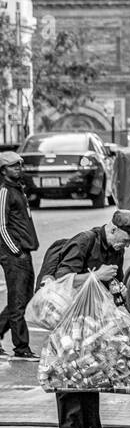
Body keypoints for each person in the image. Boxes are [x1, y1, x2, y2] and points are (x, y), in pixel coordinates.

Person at [51, 209, 130, 428]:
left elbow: (113, 280)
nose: (125, 245)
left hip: (93, 320)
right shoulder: (84, 241)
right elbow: (62, 279)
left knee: (92, 376)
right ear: (112, 229)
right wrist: (95, 275)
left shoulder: (117, 248)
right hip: (70, 318)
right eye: (124, 239)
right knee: (70, 378)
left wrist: (118, 288)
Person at [0, 150, 38, 360]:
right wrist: (15, 251)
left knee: (23, 299)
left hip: (24, 252)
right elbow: (1, 226)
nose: (18, 169)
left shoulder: (18, 189)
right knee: (18, 303)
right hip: (14, 254)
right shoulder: (4, 191)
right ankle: (21, 348)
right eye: (13, 166)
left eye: (19, 165)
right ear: (3, 170)